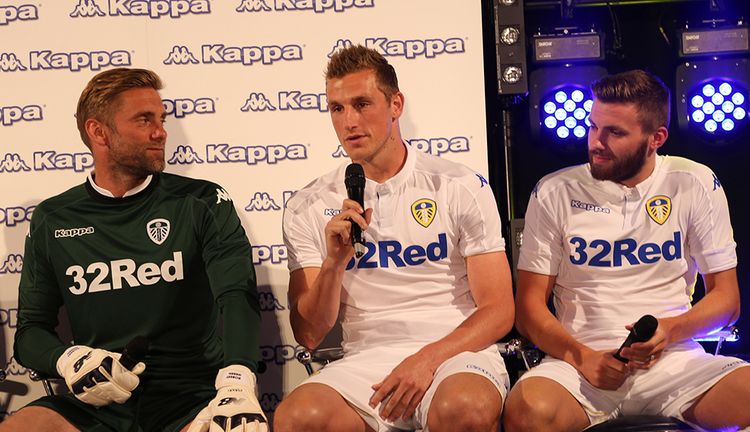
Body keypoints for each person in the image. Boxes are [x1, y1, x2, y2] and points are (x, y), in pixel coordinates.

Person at [3, 68, 268, 432]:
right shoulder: (53, 218)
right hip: (101, 400)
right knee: (22, 426)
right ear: (98, 132)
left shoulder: (201, 201)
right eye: (144, 120)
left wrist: (238, 380)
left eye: (161, 119)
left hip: (191, 397)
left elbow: (237, 295)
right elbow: (31, 332)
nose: (160, 132)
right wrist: (69, 359)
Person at [503, 69, 750, 431]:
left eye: (615, 132)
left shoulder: (695, 182)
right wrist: (581, 356)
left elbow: (728, 300)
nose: (596, 141)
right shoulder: (553, 191)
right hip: (579, 366)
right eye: (593, 126)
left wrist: (670, 331)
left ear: (656, 138)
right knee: (527, 410)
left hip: (674, 361)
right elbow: (529, 308)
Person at [274, 45, 514, 432]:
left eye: (362, 103)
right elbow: (310, 335)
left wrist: (427, 359)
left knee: (464, 408)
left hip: (455, 352)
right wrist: (335, 263)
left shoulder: (458, 186)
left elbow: (499, 310)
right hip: (366, 359)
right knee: (298, 418)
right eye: (337, 108)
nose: (349, 121)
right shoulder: (308, 204)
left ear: (396, 104)